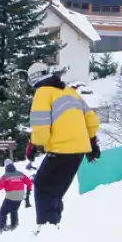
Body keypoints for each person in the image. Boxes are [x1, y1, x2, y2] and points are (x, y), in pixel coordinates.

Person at [26, 62, 100, 230]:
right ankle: (53, 225)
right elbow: (92, 120)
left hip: (61, 149)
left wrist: (36, 144)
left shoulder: (43, 92)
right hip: (79, 150)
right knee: (55, 189)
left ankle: (47, 228)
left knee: (43, 186)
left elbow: (40, 124)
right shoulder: (70, 92)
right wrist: (92, 142)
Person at [0, 159, 33, 233]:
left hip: (11, 196)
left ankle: (1, 227)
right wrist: (28, 191)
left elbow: (0, 186)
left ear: (6, 167)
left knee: (2, 212)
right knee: (14, 210)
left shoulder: (5, 176)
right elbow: (29, 182)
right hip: (20, 196)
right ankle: (14, 224)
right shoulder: (20, 174)